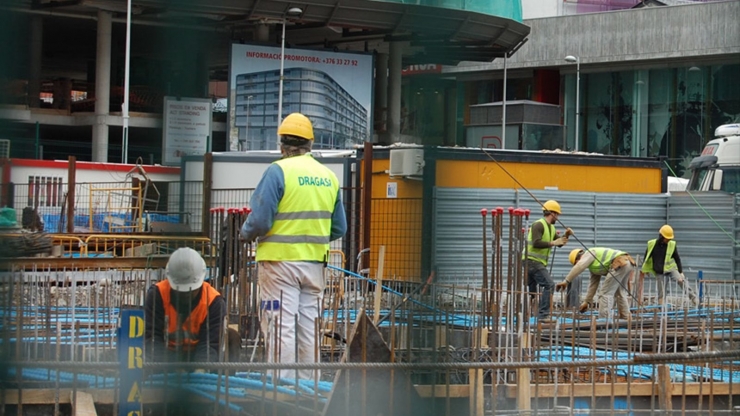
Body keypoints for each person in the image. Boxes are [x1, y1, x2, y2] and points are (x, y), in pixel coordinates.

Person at [240, 112, 347, 380]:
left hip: (279, 267)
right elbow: (339, 228)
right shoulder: (328, 177)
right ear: (310, 144)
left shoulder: (278, 171)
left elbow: (261, 221)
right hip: (314, 268)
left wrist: (245, 233)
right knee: (309, 327)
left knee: (280, 324)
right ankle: (310, 387)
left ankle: (283, 388)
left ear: (283, 146)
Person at [144, 247, 227, 364]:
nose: (185, 294)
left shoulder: (213, 302)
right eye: (180, 291)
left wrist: (199, 373)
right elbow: (153, 339)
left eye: (190, 291)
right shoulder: (158, 295)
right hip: (166, 357)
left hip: (196, 355)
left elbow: (209, 345)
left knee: (231, 338)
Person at [555, 248, 634, 319]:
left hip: (619, 263)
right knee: (620, 292)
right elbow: (593, 285)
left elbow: (580, 266)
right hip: (626, 263)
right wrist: (587, 302)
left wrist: (566, 281)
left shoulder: (589, 253)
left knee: (605, 294)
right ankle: (626, 317)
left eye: (576, 263)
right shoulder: (594, 266)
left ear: (578, 259)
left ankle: (604, 321)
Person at [524, 200, 569, 322]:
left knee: (531, 291)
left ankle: (526, 316)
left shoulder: (551, 228)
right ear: (552, 213)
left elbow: (559, 243)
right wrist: (553, 243)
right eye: (557, 214)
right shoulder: (538, 224)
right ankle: (543, 315)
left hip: (536, 262)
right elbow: (536, 242)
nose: (558, 217)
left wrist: (566, 236)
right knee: (549, 285)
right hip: (531, 261)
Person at [640, 224, 698, 306]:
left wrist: (680, 272)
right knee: (661, 291)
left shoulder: (672, 244)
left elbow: (677, 258)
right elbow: (647, 256)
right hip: (659, 271)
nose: (668, 240)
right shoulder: (652, 244)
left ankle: (693, 298)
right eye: (667, 238)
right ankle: (661, 307)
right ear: (662, 236)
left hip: (671, 269)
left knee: (681, 281)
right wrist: (645, 269)